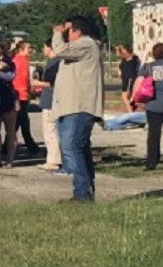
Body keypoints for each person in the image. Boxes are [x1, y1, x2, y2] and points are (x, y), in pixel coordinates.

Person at [52, 16, 103, 202]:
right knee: (79, 148)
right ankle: (84, 191)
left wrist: (57, 33)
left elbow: (59, 50)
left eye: (68, 31)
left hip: (80, 106)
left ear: (77, 30)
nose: (65, 35)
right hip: (71, 106)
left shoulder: (86, 44)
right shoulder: (80, 47)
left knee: (74, 146)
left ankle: (83, 193)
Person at [31, 39, 63, 172]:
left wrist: (37, 83)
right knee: (53, 131)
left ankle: (53, 160)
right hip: (50, 99)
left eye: (44, 47)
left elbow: (53, 83)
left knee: (51, 132)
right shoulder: (55, 62)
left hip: (51, 100)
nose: (43, 50)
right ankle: (55, 158)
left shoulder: (55, 62)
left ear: (50, 48)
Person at [11, 40, 40, 156]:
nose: (31, 50)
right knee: (22, 122)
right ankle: (31, 146)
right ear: (21, 49)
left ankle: (8, 146)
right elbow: (23, 79)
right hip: (20, 94)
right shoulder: (21, 61)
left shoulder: (17, 60)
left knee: (19, 123)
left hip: (19, 93)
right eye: (28, 48)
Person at [115, 44, 141, 114]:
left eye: (123, 49)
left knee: (124, 96)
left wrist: (119, 49)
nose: (121, 51)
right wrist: (119, 50)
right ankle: (132, 111)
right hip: (125, 80)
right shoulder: (123, 60)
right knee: (128, 97)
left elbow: (124, 55)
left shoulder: (132, 58)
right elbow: (118, 55)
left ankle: (131, 113)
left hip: (130, 78)